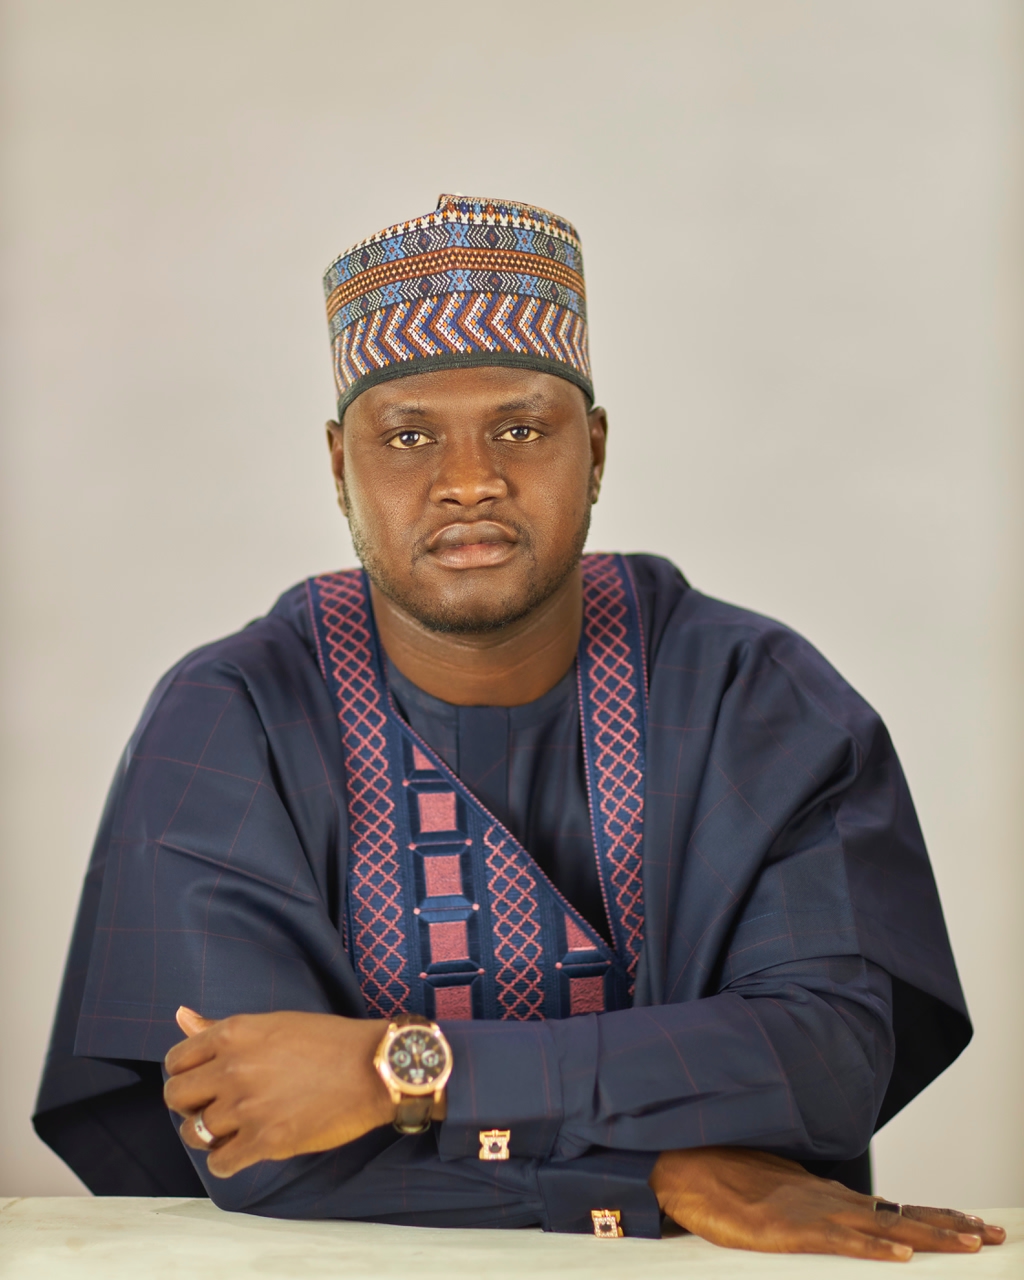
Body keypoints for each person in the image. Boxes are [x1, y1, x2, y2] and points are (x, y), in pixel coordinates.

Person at [35, 194, 1003, 1260]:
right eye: (408, 436)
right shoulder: (236, 716)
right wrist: (657, 1172)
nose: (468, 481)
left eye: (521, 429)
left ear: (595, 448)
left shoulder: (752, 693)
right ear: (339, 465)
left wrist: (395, 1073)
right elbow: (255, 1137)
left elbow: (825, 1061)